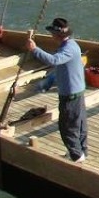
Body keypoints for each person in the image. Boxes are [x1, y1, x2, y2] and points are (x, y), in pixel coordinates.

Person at [26, 17, 88, 164]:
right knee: (79, 124)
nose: (51, 35)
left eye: (52, 33)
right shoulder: (73, 45)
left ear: (58, 35)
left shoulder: (67, 49)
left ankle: (76, 156)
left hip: (70, 96)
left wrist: (34, 49)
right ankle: (82, 152)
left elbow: (54, 60)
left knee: (67, 127)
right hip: (77, 92)